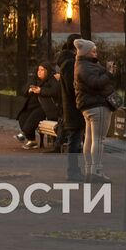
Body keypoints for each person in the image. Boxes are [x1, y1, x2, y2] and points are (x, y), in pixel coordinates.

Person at [74, 39, 114, 184]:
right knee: (98, 139)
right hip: (98, 105)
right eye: (93, 50)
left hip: (88, 106)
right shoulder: (87, 66)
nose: (96, 53)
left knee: (90, 138)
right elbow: (96, 83)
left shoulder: (80, 65)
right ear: (86, 52)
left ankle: (89, 170)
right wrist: (109, 74)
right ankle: (97, 171)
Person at [54, 35, 83, 178]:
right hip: (73, 108)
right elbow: (72, 88)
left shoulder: (66, 62)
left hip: (69, 107)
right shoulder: (70, 63)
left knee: (75, 139)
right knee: (74, 140)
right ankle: (73, 171)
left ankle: (74, 170)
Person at [15, 64, 59, 148]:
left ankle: (23, 134)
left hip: (44, 107)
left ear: (47, 71)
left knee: (34, 117)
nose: (39, 71)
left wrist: (41, 91)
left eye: (42, 70)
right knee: (22, 117)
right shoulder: (34, 79)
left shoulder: (51, 79)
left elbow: (55, 91)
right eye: (38, 69)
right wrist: (29, 90)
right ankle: (32, 140)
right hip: (31, 106)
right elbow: (23, 89)